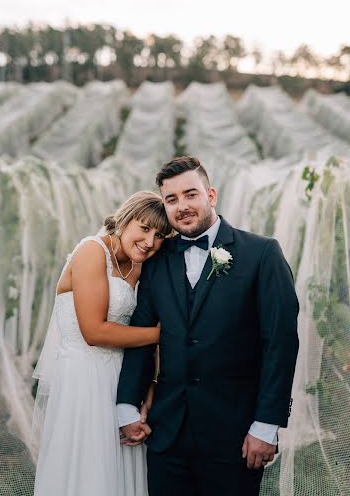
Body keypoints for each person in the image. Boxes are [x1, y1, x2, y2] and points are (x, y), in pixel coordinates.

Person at [117, 156, 299, 496]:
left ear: (210, 195)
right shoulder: (156, 259)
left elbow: (280, 343)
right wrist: (126, 405)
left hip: (237, 436)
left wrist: (266, 425)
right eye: (171, 200)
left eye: (191, 195)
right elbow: (140, 332)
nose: (182, 206)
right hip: (166, 435)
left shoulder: (262, 254)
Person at [32, 191, 171, 496]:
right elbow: (93, 332)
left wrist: (146, 389)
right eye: (144, 228)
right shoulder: (91, 251)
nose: (150, 242)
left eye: (160, 235)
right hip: (82, 382)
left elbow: (136, 337)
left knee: (119, 474)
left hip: (122, 383)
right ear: (125, 219)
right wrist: (163, 334)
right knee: (88, 473)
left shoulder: (139, 266)